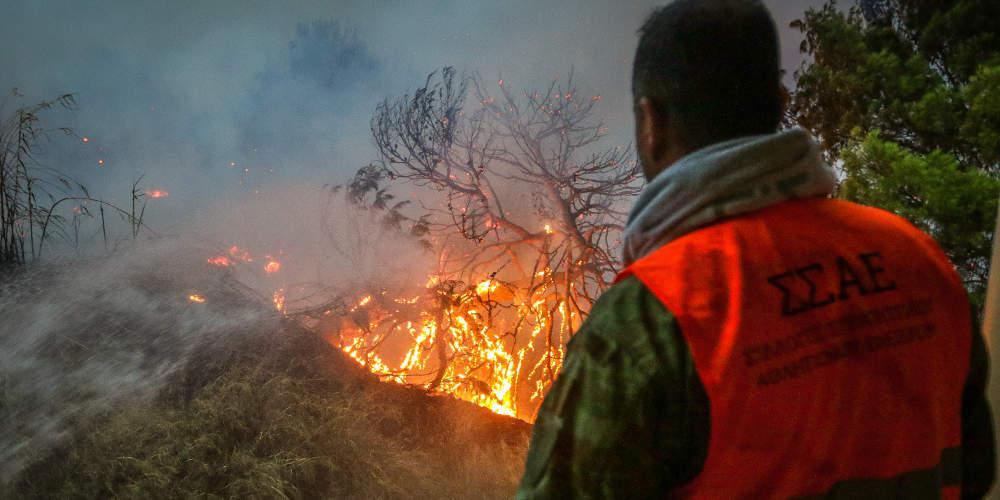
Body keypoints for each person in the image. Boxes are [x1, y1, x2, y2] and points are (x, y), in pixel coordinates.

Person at [515, 0, 996, 498]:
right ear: (780, 102)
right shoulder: (918, 258)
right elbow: (975, 469)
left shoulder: (652, 316)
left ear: (650, 121)